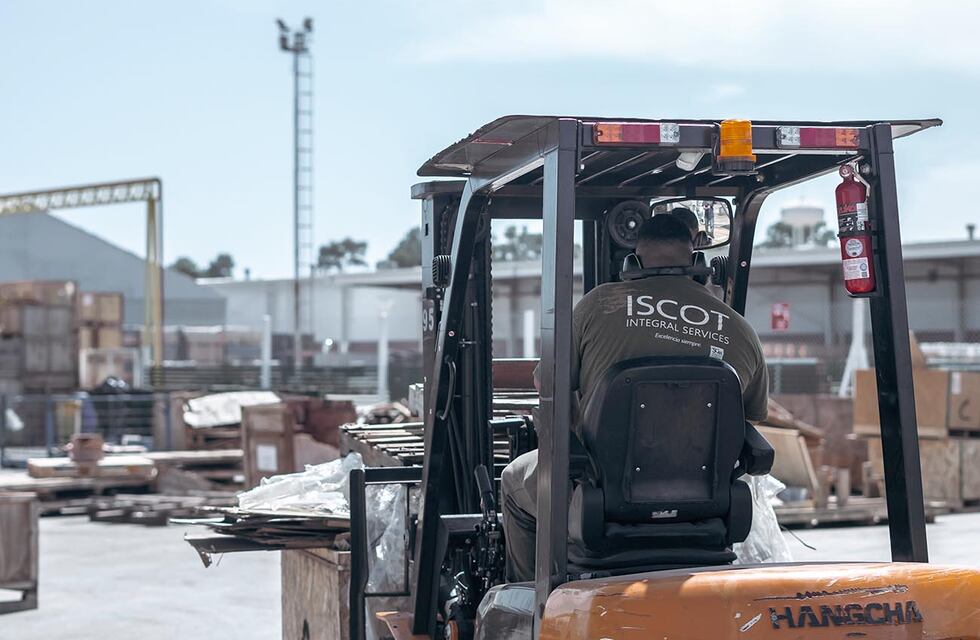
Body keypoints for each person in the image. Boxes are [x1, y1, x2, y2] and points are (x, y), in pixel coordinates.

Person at [500, 213, 769, 582]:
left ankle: (536, 603)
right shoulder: (739, 329)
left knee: (514, 478)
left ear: (636, 260)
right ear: (696, 259)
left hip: (604, 497)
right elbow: (750, 416)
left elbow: (547, 385)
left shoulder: (598, 307)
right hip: (705, 504)